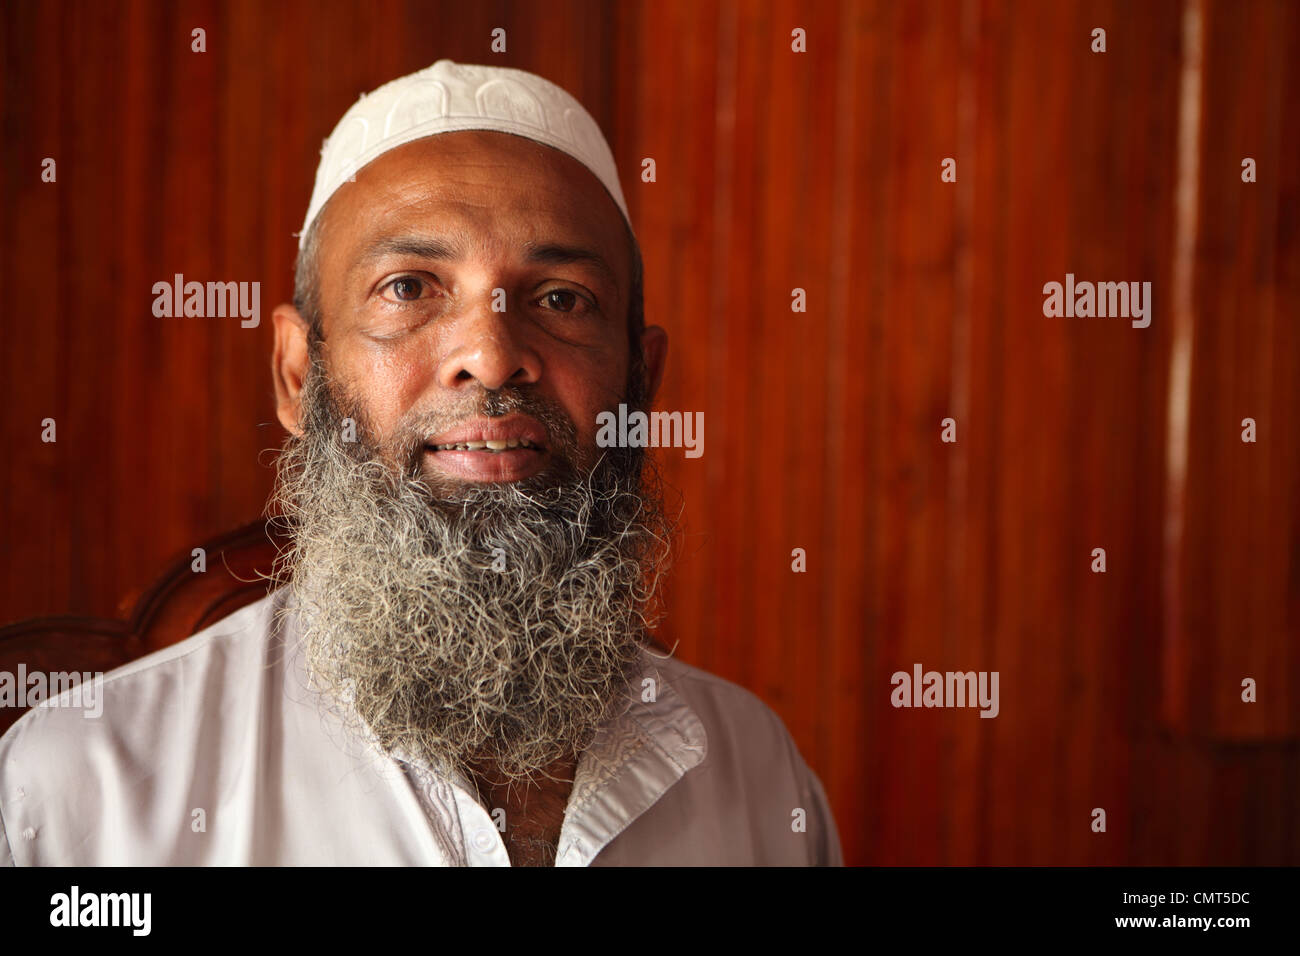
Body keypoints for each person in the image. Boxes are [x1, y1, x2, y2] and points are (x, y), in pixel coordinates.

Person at [0, 60, 841, 866]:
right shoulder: (83, 792)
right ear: (300, 375)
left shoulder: (757, 777)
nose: (491, 354)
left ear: (639, 379)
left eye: (560, 299)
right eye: (409, 287)